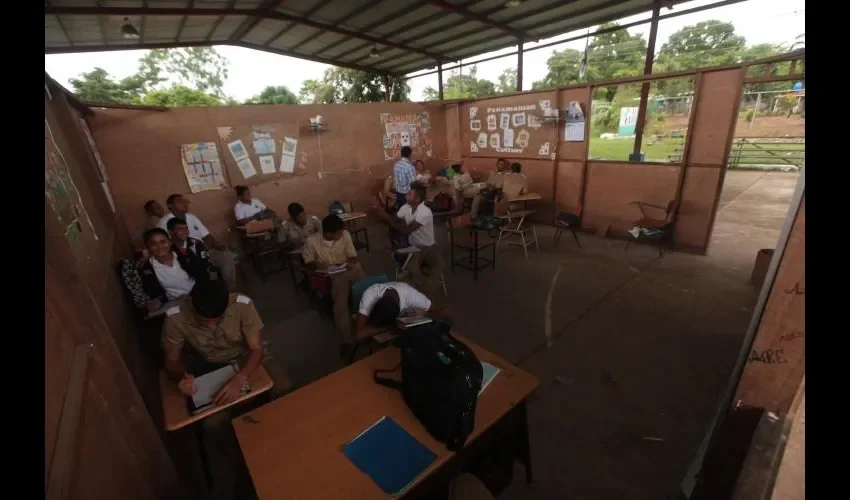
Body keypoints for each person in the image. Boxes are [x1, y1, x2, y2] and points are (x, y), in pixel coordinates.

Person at [161, 279, 291, 500]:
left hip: (245, 358)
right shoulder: (175, 316)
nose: (212, 326)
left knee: (284, 389)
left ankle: (284, 445)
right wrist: (180, 377)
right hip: (211, 365)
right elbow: (171, 362)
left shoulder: (242, 304)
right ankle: (248, 466)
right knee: (213, 425)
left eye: (218, 320)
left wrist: (240, 379)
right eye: (205, 321)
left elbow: (256, 350)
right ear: (192, 306)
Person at [301, 215, 366, 352]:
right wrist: (317, 264)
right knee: (340, 302)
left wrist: (350, 262)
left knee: (366, 287)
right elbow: (308, 262)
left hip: (348, 268)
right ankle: (345, 340)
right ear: (328, 233)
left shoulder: (345, 234)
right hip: (331, 275)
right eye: (338, 234)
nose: (341, 235)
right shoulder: (312, 241)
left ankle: (366, 321)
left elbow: (353, 256)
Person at [372, 183, 443, 298]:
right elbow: (394, 221)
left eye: (410, 194)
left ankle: (422, 293)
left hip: (429, 247)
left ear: (418, 199)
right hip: (414, 248)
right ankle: (422, 292)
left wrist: (385, 216)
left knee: (435, 267)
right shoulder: (406, 207)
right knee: (411, 269)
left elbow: (406, 231)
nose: (406, 195)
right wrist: (381, 213)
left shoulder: (424, 211)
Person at [158, 193, 238, 291]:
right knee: (204, 270)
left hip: (203, 250)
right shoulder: (164, 223)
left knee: (226, 257)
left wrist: (216, 245)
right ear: (170, 206)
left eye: (184, 201)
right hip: (183, 256)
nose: (184, 203)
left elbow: (206, 236)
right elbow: (166, 246)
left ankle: (229, 291)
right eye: (180, 202)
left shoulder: (191, 217)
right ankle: (210, 291)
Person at [139, 228, 210, 312]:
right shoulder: (148, 269)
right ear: (148, 247)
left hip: (200, 294)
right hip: (177, 302)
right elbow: (156, 293)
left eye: (163, 242)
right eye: (153, 244)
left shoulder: (185, 256)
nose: (160, 247)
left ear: (170, 242)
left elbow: (204, 274)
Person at [355, 281, 450, 340]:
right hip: (389, 322)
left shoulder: (412, 296)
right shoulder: (370, 296)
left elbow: (445, 312)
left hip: (398, 317)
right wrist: (391, 326)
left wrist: (425, 313)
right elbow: (359, 334)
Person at [393, 146, 417, 211]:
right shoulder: (409, 166)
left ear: (401, 154)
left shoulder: (396, 165)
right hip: (408, 195)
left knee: (401, 213)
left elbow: (395, 179)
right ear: (410, 154)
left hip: (398, 193)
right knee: (408, 215)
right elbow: (414, 184)